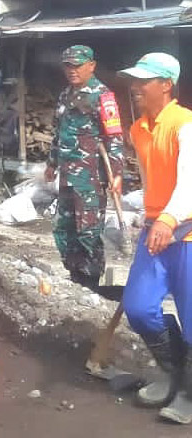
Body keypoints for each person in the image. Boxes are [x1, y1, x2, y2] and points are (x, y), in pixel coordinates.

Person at [118, 53, 192, 423]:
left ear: (166, 85)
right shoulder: (138, 130)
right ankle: (172, 371)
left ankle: (190, 393)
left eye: (143, 81)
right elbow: (155, 182)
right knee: (139, 306)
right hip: (157, 230)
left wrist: (167, 217)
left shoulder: (185, 125)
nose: (135, 87)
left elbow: (190, 182)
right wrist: (144, 210)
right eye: (135, 80)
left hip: (188, 234)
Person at [45, 45, 125, 300]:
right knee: (64, 227)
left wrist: (117, 173)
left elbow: (114, 137)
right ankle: (74, 274)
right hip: (67, 174)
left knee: (88, 230)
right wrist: (51, 162)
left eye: (77, 65)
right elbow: (59, 133)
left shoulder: (103, 96)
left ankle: (90, 280)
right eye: (68, 66)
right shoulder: (65, 95)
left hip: (91, 177)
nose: (72, 71)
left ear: (91, 65)